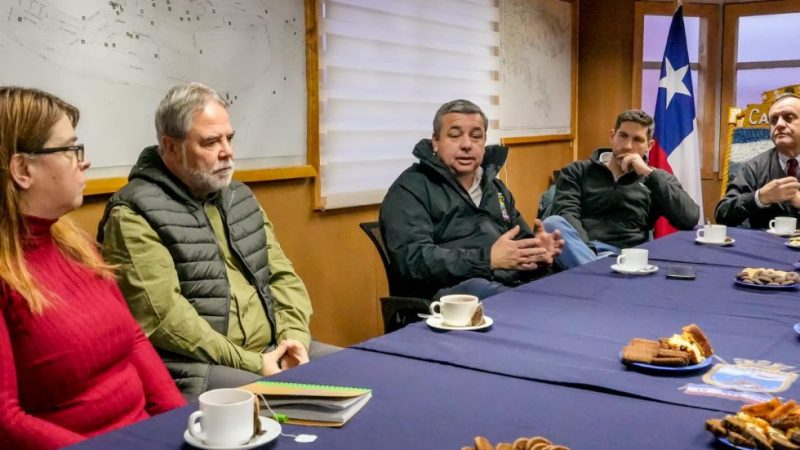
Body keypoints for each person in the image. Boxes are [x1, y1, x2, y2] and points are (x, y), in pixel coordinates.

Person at [98, 83, 336, 399]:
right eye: (211, 142)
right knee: (301, 402)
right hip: (199, 367)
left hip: (273, 349)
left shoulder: (239, 197)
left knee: (366, 375)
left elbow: (283, 277)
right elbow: (165, 319)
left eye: (229, 138)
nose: (227, 151)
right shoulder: (133, 212)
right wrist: (255, 362)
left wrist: (294, 339)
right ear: (170, 146)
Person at [0, 87, 185, 450]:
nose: (83, 161)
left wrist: (182, 426)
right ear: (22, 169)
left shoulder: (74, 243)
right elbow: (7, 420)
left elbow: (131, 339)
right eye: (70, 149)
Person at [379, 99, 563, 300]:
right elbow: (412, 260)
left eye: (476, 136)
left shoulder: (495, 188)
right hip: (448, 297)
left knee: (560, 285)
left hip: (504, 284)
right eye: (455, 136)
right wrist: (488, 259)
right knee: (484, 291)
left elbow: (518, 247)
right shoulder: (411, 188)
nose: (467, 145)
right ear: (435, 141)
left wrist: (538, 253)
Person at [544, 109, 700, 269]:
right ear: (612, 136)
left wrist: (647, 173)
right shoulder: (578, 171)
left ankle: (591, 273)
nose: (627, 146)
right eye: (623, 136)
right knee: (552, 222)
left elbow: (689, 218)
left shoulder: (654, 179)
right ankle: (594, 270)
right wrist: (588, 252)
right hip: (581, 249)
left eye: (637, 140)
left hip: (625, 257)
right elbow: (567, 214)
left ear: (649, 146)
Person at [715, 93, 800, 229]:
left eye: (788, 118)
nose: (779, 124)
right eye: (773, 121)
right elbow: (722, 214)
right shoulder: (753, 167)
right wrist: (759, 198)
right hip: (764, 247)